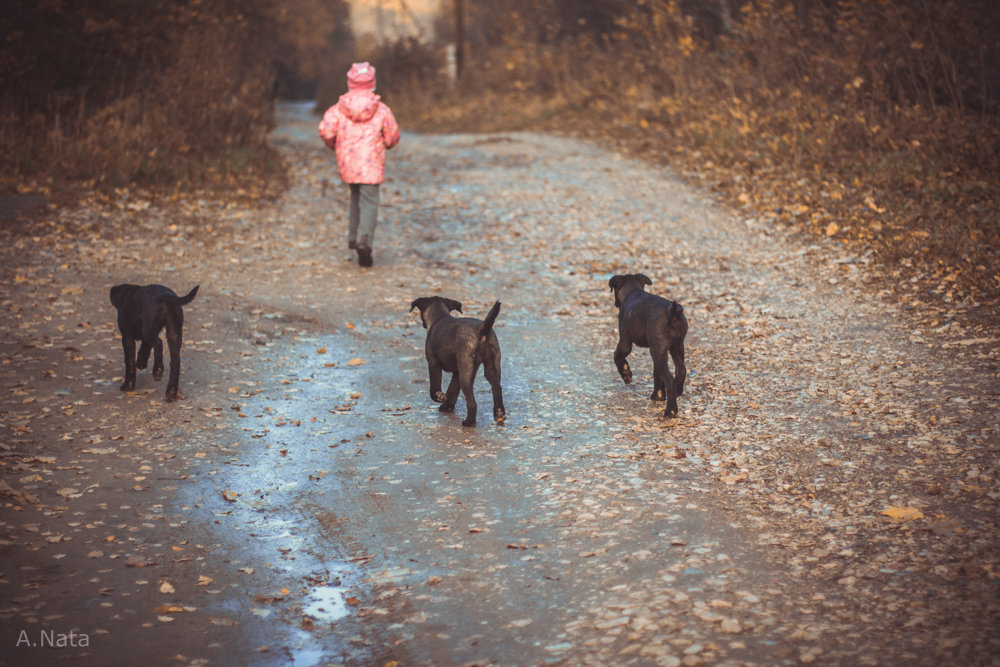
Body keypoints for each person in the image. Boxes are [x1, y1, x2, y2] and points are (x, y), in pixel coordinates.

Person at [318, 62, 400, 268]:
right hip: (371, 164)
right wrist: (387, 144)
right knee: (370, 201)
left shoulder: (338, 108)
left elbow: (326, 131)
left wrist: (333, 145)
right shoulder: (381, 109)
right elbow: (392, 136)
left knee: (355, 196)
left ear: (350, 83)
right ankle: (365, 241)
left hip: (349, 163)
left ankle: (353, 238)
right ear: (373, 84)